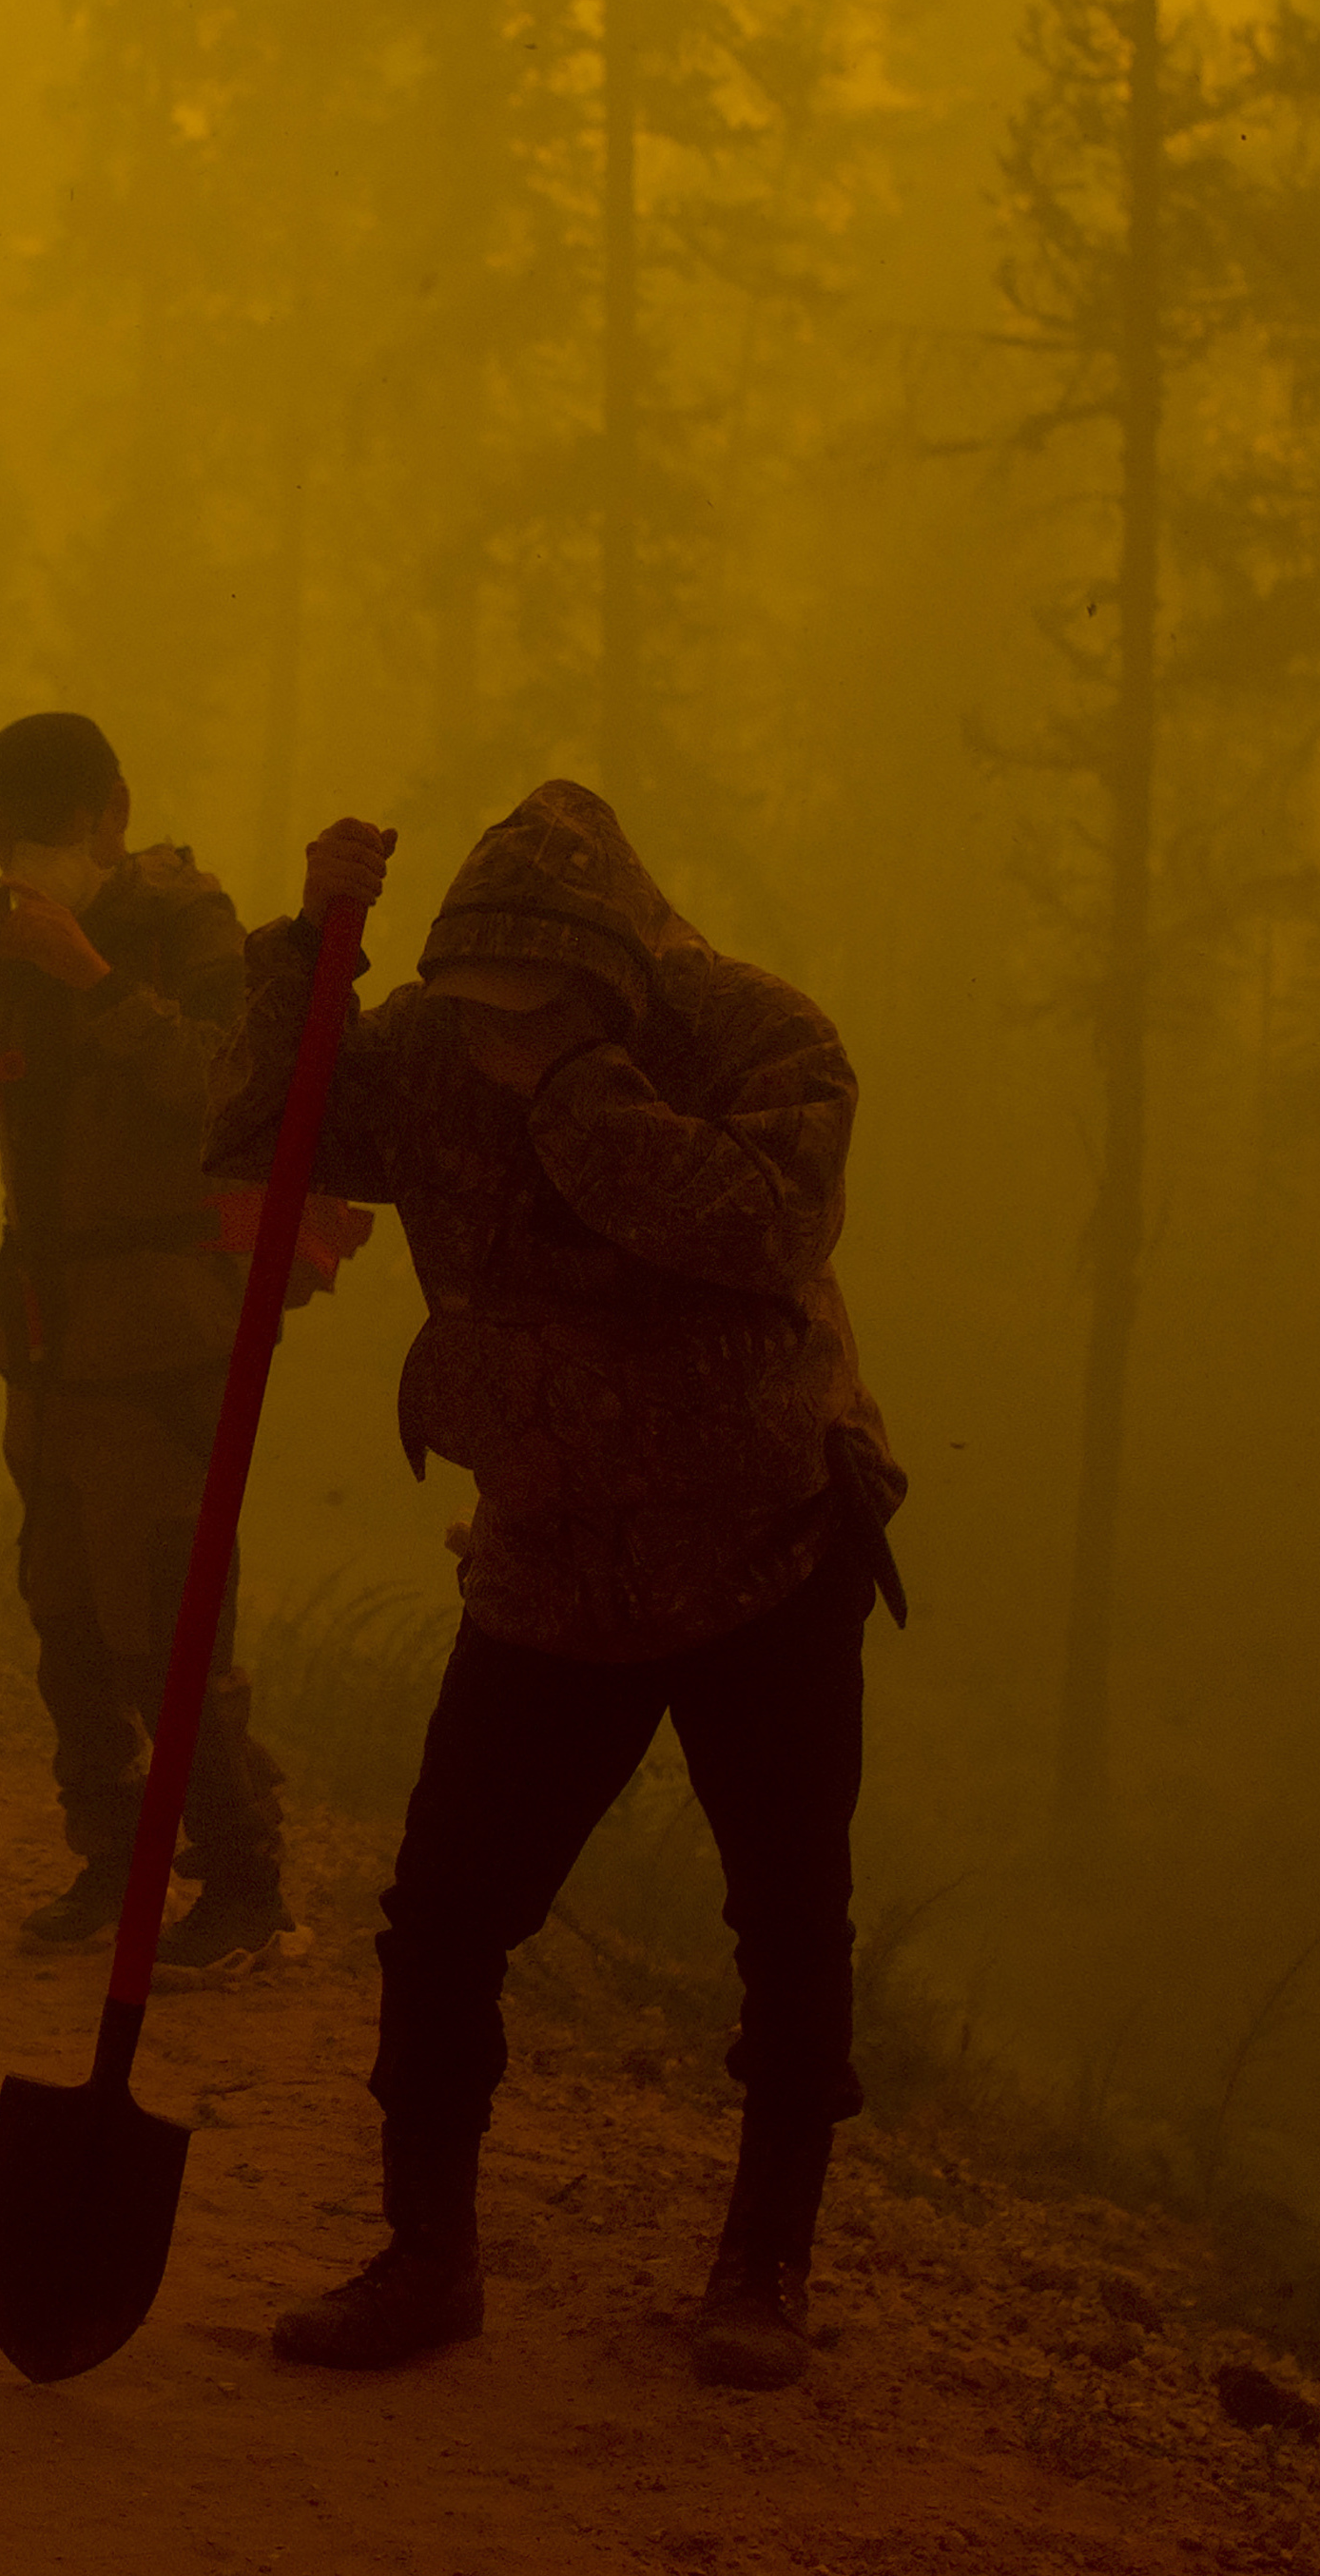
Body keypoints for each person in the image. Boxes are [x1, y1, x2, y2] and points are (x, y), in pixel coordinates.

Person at [224, 784, 904, 2393]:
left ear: (610, 982)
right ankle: (426, 2255)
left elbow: (759, 1226)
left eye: (529, 1007)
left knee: (787, 1920)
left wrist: (575, 1089)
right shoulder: (429, 1047)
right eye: (476, 1006)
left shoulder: (759, 1040)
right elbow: (269, 1131)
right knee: (444, 1914)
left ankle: (762, 2264)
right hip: (546, 1552)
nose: (493, 1035)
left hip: (765, 1549)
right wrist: (309, 955)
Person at [0, 712, 296, 1972]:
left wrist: (95, 979)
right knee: (67, 1613)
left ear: (112, 815)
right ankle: (111, 1848)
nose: (25, 861)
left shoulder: (188, 929)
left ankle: (244, 1879)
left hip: (164, 1339)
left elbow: (230, 1087)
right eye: (5, 841)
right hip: (48, 1341)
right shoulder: (7, 958)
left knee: (166, 1618)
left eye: (47, 832)